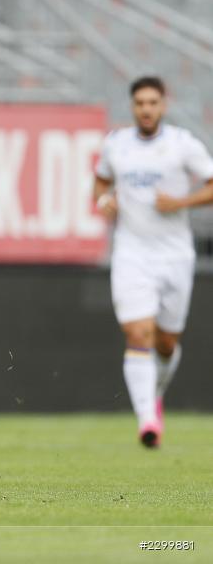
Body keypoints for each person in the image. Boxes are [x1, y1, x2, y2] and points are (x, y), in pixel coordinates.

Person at [94, 77, 213, 448]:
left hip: (175, 255)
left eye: (153, 102)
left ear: (163, 106)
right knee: (138, 334)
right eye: (140, 102)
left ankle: (153, 396)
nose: (146, 109)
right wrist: (103, 202)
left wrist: (180, 203)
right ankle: (148, 421)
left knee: (165, 343)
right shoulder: (116, 145)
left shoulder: (183, 145)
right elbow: (100, 184)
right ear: (133, 106)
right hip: (132, 253)